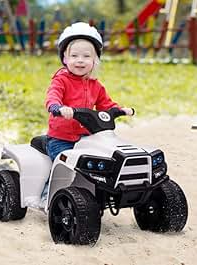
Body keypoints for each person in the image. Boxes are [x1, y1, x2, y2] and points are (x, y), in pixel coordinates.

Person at [40, 22, 134, 205]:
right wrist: (57, 107)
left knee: (100, 162)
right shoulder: (61, 80)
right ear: (65, 59)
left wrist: (120, 110)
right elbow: (52, 96)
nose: (80, 60)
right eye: (74, 55)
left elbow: (106, 104)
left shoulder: (95, 85)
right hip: (61, 138)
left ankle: (98, 195)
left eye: (86, 56)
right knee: (63, 165)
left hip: (85, 137)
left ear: (94, 60)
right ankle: (47, 195)